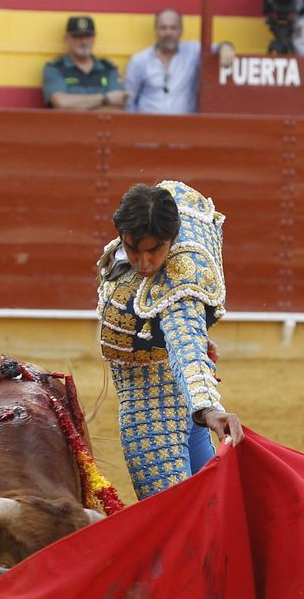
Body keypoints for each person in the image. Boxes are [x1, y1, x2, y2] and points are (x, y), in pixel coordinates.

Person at [96, 181, 243, 501]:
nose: (144, 262)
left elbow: (186, 348)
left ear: (172, 238)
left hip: (152, 400)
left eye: (154, 250)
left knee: (172, 516)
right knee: (212, 500)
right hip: (176, 394)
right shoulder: (168, 210)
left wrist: (208, 409)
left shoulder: (179, 276)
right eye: (135, 249)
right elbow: (176, 193)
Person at [125, 8, 202, 114]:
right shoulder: (139, 60)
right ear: (156, 30)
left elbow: (217, 48)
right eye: (163, 28)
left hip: (184, 128)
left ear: (181, 31)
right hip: (148, 128)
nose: (168, 33)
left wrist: (226, 48)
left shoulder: (192, 51)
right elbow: (129, 101)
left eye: (173, 28)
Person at [44, 14, 127, 110]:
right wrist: (105, 98)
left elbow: (116, 108)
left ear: (94, 38)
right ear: (66, 38)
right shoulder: (55, 68)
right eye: (77, 37)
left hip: (101, 125)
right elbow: (61, 103)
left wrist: (75, 105)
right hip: (68, 125)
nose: (83, 41)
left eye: (88, 36)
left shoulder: (109, 68)